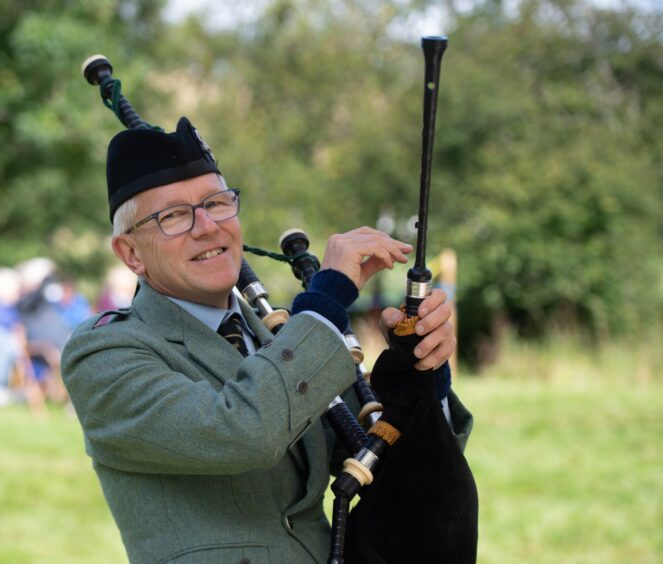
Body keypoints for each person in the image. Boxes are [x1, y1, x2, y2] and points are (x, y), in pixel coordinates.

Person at [62, 117, 469, 563]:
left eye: (217, 203)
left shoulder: (272, 340)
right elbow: (243, 430)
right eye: (174, 216)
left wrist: (420, 375)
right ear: (131, 253)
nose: (206, 226)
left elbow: (372, 451)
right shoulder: (104, 353)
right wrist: (324, 303)